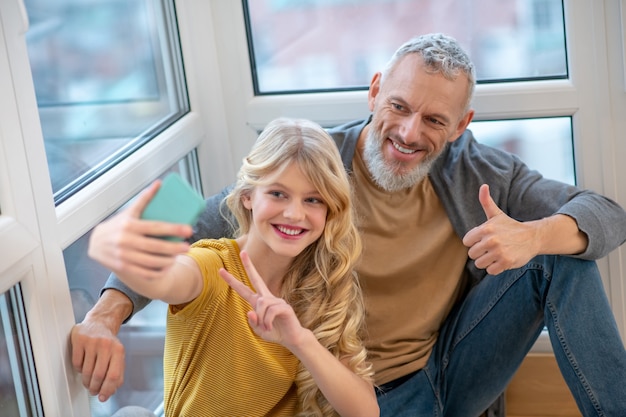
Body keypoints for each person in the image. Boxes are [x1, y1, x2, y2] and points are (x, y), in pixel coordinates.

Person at [72, 33, 626, 417]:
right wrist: (104, 312)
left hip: (443, 372)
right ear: (374, 89)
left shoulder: (483, 173)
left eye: (434, 120)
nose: (409, 133)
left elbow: (607, 213)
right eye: (399, 106)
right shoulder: (314, 163)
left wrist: (533, 236)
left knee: (562, 255)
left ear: (462, 124)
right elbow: (190, 209)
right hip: (335, 386)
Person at [83, 117, 378, 417]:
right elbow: (166, 280)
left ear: (330, 210)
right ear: (248, 196)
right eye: (278, 194)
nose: (294, 213)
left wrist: (299, 340)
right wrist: (126, 256)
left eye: (313, 200)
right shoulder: (214, 265)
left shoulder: (324, 283)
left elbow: (366, 412)